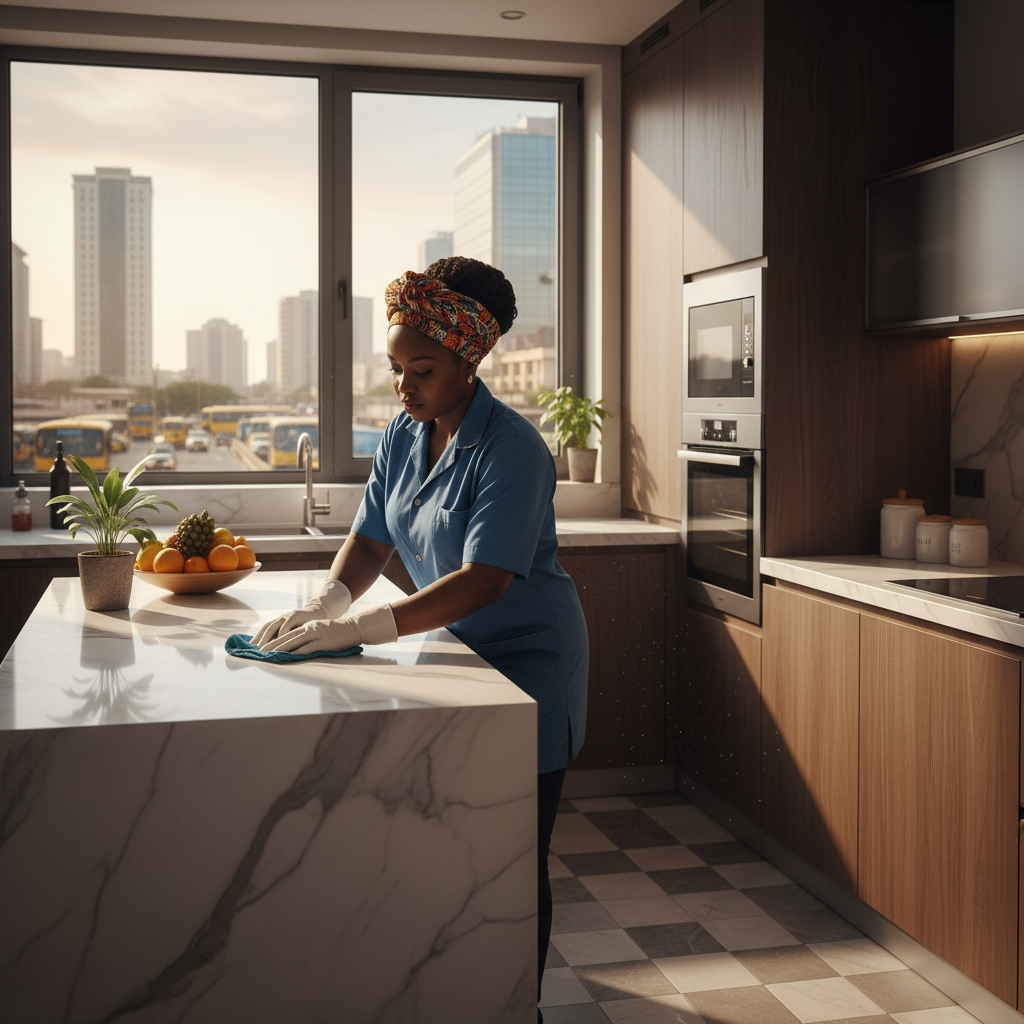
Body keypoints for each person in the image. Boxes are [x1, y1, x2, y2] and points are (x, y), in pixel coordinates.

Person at [252, 257, 588, 1020]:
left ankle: (515, 1006)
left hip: (527, 666)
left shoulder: (514, 450)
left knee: (510, 856)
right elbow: (372, 540)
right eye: (397, 367)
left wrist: (361, 627)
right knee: (441, 848)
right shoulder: (407, 435)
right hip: (452, 655)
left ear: (471, 361)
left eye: (424, 370)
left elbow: (486, 578)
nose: (404, 387)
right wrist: (330, 598)